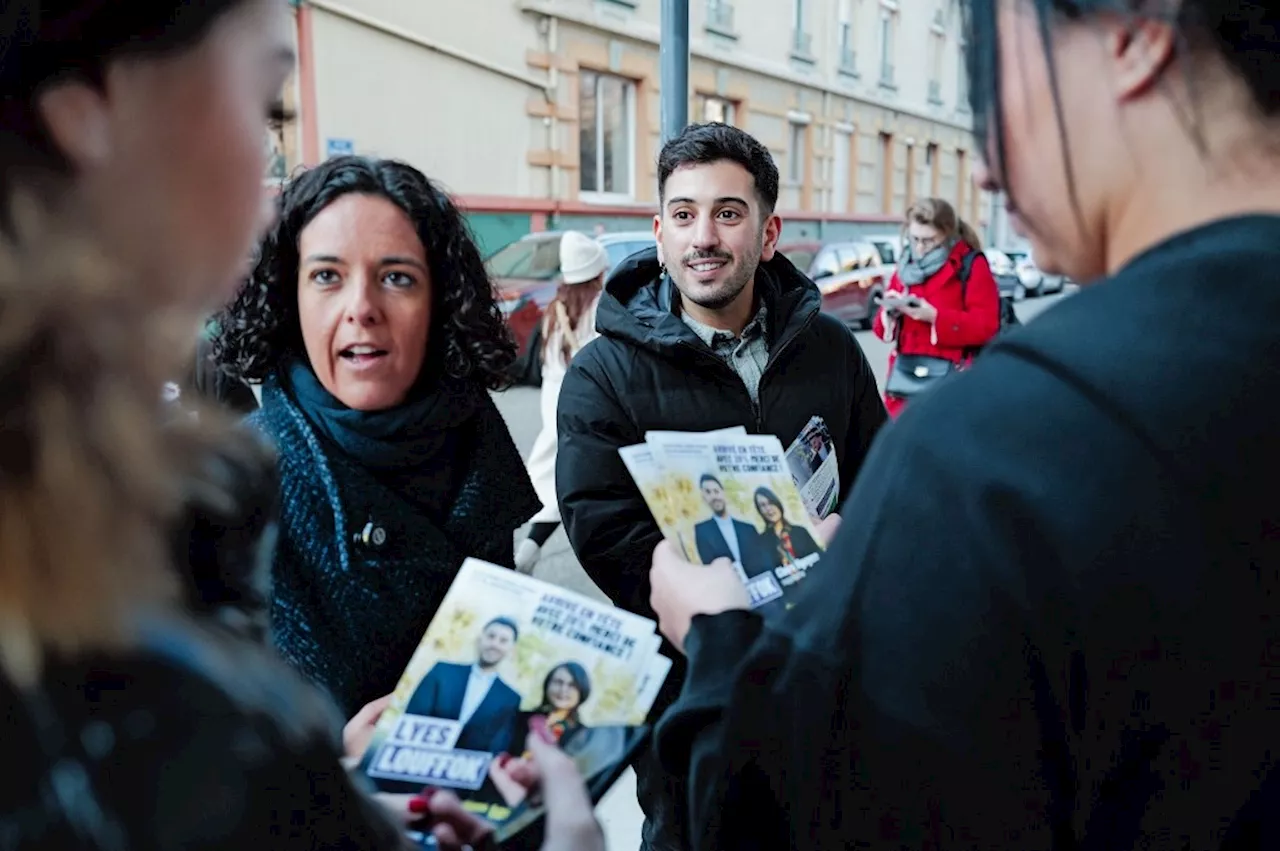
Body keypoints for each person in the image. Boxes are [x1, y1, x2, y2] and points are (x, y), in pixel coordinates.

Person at [649, 0, 1280, 847]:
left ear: (1133, 34)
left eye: (991, 66)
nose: (985, 166)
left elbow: (791, 811)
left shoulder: (996, 455)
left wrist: (721, 643)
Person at [555, 121, 887, 850]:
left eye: (727, 213)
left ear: (768, 234)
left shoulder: (831, 349)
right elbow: (601, 524)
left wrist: (844, 546)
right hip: (688, 682)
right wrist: (705, 604)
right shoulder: (602, 373)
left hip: (821, 660)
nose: (703, 235)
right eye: (684, 214)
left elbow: (877, 475)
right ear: (660, 232)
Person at [212, 156, 540, 717]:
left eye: (396, 278)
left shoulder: (475, 435)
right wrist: (334, 763)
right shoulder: (234, 481)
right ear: (290, 300)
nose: (361, 308)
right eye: (326, 277)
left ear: (438, 300)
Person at [515, 231, 609, 574]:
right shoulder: (602, 309)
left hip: (553, 402)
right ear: (597, 273)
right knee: (581, 480)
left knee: (552, 476)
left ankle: (529, 548)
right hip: (586, 405)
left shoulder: (556, 308)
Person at [873, 197, 1000, 418]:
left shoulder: (971, 264)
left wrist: (935, 317)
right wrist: (890, 312)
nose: (920, 248)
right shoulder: (906, 266)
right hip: (904, 382)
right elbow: (879, 330)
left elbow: (988, 326)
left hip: (951, 383)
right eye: (914, 239)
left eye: (929, 241)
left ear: (948, 234)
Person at [403, 617, 523, 754]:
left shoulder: (511, 698)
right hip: (417, 757)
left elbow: (498, 746)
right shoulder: (442, 672)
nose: (494, 644)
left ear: (511, 649)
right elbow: (412, 717)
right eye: (491, 636)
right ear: (480, 639)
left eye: (503, 641)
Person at [692, 474, 767, 578]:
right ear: (703, 497)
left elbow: (762, 563)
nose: (714, 496)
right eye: (708, 492)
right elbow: (710, 567)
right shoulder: (702, 531)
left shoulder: (748, 529)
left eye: (716, 491)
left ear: (723, 493)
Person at [751, 487, 820, 565]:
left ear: (777, 503)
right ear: (759, 510)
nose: (768, 508)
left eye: (770, 502)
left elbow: (819, 558)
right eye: (763, 505)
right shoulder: (761, 542)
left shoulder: (801, 531)